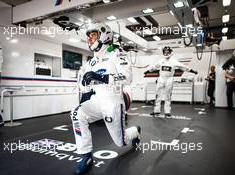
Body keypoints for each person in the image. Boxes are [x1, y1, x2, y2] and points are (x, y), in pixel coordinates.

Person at [71, 23, 141, 174]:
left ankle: (135, 131)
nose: (90, 39)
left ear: (104, 34)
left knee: (121, 142)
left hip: (113, 100)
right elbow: (85, 86)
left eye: (93, 35)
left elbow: (127, 78)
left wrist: (101, 77)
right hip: (97, 100)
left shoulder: (117, 52)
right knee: (77, 114)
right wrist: (84, 84)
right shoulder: (91, 61)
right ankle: (86, 156)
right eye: (89, 36)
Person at [143, 46, 198, 116]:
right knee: (158, 95)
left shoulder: (174, 61)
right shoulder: (161, 61)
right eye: (165, 52)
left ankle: (167, 111)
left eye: (167, 52)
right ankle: (156, 110)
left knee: (168, 95)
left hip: (169, 79)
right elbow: (154, 67)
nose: (166, 54)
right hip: (161, 78)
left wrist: (193, 71)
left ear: (170, 52)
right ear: (163, 52)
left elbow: (184, 67)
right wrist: (147, 71)